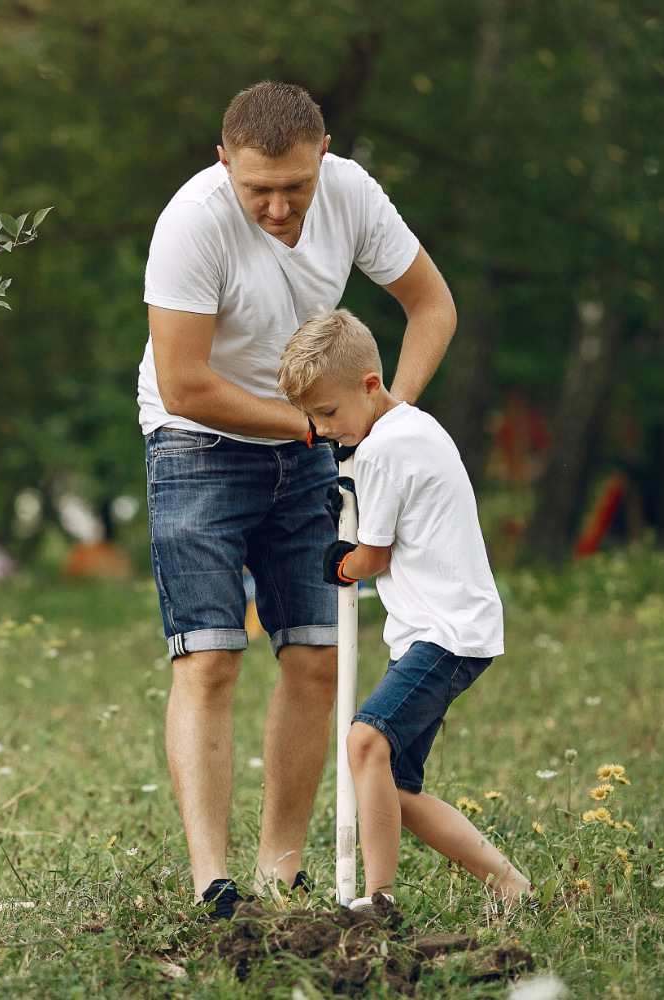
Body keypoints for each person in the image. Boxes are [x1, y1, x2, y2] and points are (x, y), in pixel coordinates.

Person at [141, 80, 457, 917]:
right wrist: (312, 428)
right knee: (209, 657)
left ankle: (281, 870)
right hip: (198, 444)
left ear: (323, 156)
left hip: (313, 441)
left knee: (317, 659)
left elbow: (431, 305)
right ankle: (215, 882)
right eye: (258, 191)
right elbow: (182, 384)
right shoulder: (191, 223)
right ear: (224, 165)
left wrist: (387, 416)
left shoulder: (351, 192)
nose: (278, 209)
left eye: (295, 188)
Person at [278, 309, 530, 911]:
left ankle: (377, 900)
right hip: (451, 628)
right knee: (392, 786)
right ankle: (511, 886)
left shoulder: (383, 452)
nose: (324, 431)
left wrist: (340, 563)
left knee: (365, 741)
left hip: (444, 633)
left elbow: (374, 554)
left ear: (371, 384)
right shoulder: (413, 429)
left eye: (330, 415)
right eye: (312, 420)